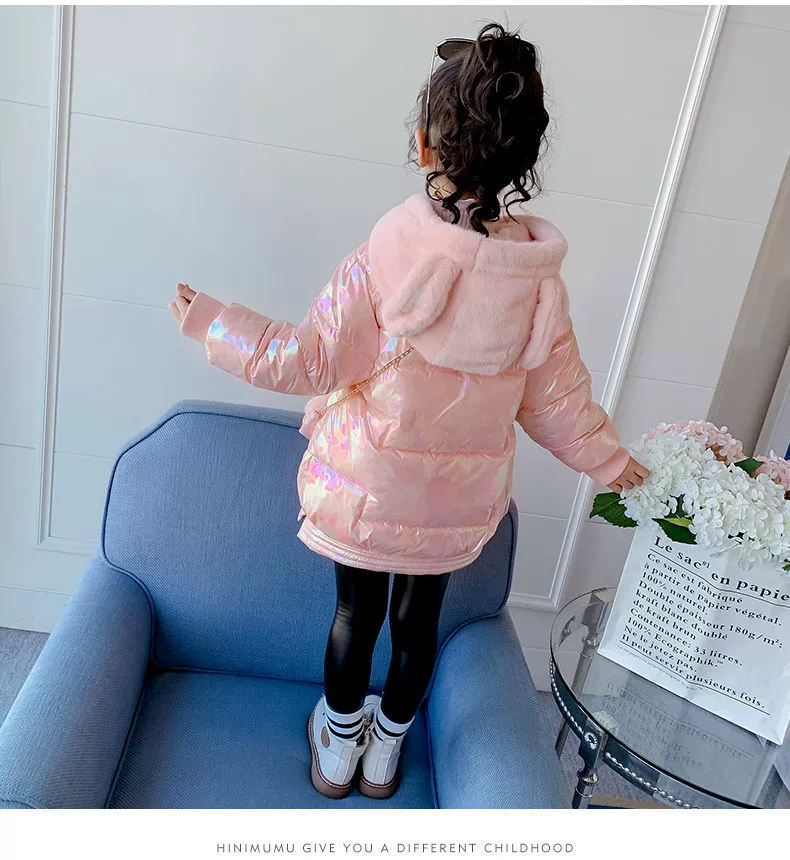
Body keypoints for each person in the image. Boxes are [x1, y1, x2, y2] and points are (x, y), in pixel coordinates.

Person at [169, 22, 649, 801]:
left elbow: (307, 359)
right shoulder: (536, 286)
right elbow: (558, 403)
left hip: (366, 489)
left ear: (425, 146)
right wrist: (615, 464)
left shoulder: (382, 261)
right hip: (455, 505)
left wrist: (214, 324)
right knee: (417, 623)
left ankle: (339, 747)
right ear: (520, 159)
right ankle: (387, 750)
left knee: (354, 616)